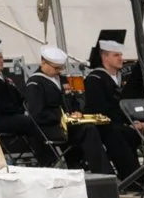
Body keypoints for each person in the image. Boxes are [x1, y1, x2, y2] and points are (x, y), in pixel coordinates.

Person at [24, 45, 110, 173]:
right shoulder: (35, 83)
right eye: (56, 67)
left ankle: (80, 164)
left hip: (69, 124)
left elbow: (72, 100)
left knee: (96, 127)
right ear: (43, 62)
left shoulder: (61, 80)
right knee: (88, 130)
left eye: (61, 68)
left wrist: (76, 111)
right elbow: (37, 113)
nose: (59, 71)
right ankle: (103, 172)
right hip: (50, 127)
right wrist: (62, 116)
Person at [0, 45, 55, 166]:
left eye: (2, 57)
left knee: (35, 118)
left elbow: (20, 98)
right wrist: (19, 111)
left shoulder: (6, 80)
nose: (1, 60)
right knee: (28, 122)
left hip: (12, 116)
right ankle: (48, 160)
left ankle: (50, 156)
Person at [83, 39, 144, 181]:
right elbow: (100, 108)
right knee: (118, 133)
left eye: (120, 55)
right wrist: (127, 123)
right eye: (116, 55)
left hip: (122, 122)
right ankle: (132, 178)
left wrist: (135, 120)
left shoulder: (120, 78)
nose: (121, 59)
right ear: (105, 57)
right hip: (103, 123)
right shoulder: (95, 78)